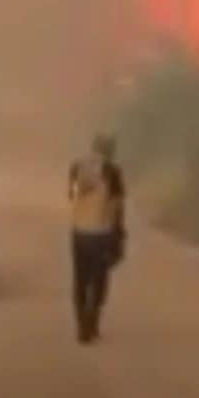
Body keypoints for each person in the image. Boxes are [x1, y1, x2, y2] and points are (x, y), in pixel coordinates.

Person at [67, 134, 126, 344]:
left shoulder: (77, 168)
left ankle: (82, 324)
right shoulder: (113, 172)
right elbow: (117, 206)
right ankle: (92, 321)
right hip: (102, 233)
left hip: (79, 232)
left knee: (80, 280)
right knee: (99, 281)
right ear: (109, 151)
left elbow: (71, 196)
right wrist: (120, 235)